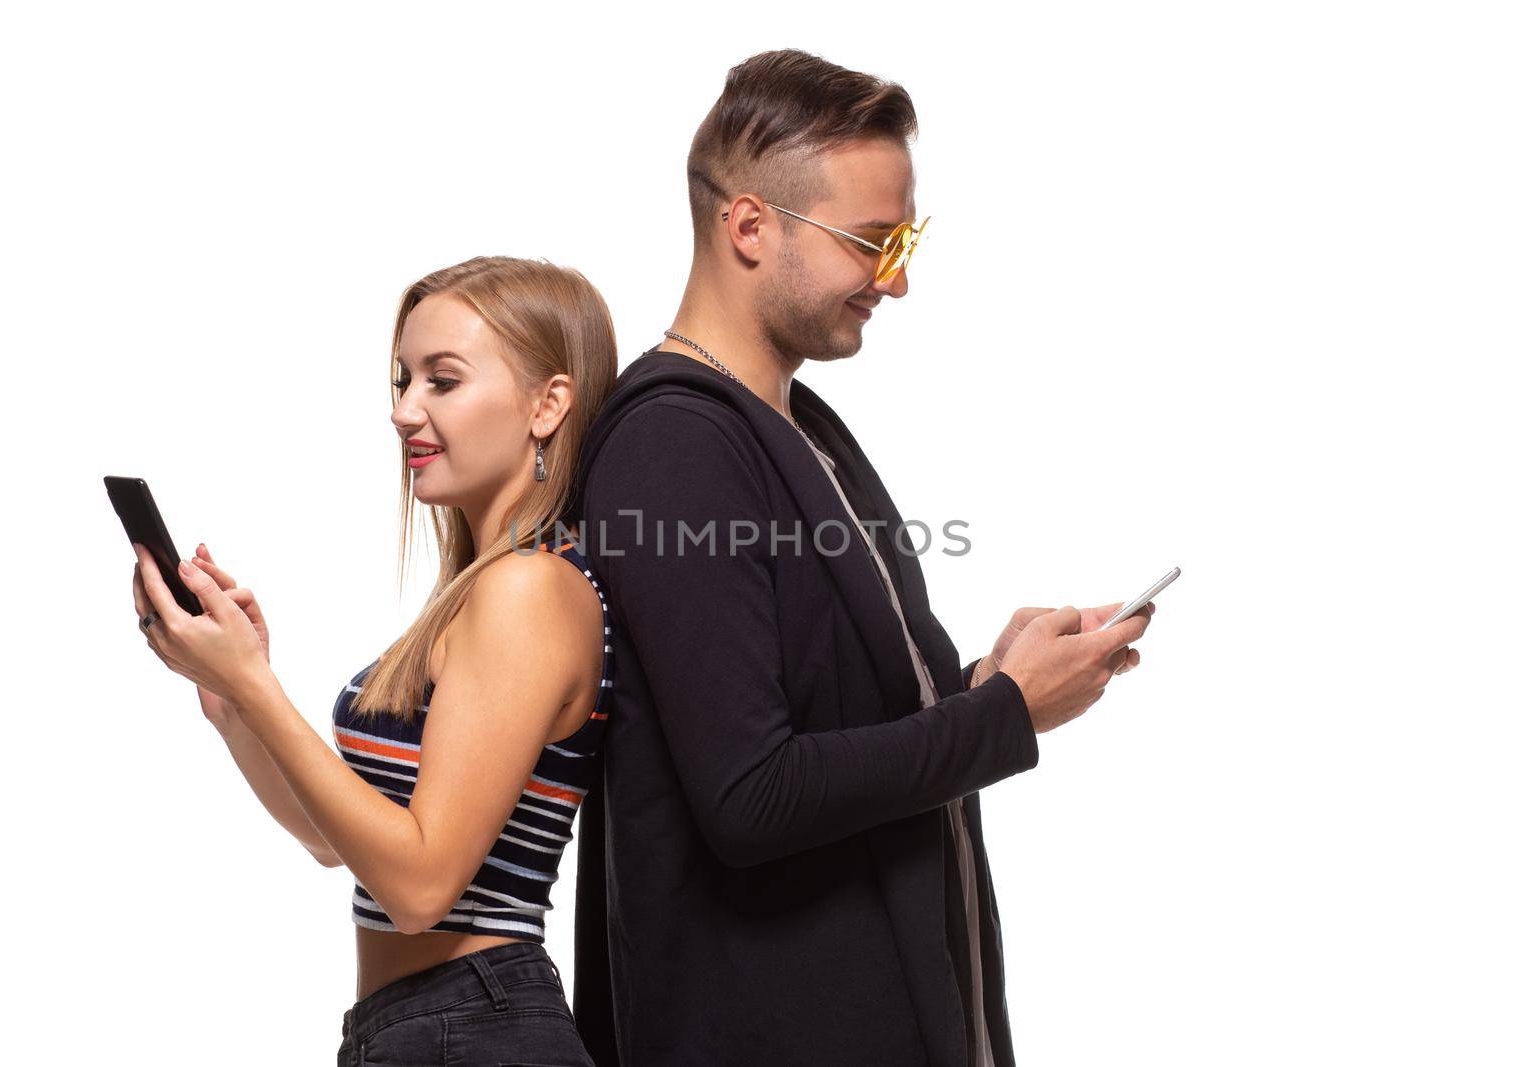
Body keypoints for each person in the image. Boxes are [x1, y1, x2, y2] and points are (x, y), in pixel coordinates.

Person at [570, 51, 1156, 1066]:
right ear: (748, 226)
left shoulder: (805, 428)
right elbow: (750, 792)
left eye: (905, 239)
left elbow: (845, 726)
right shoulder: (674, 446)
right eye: (870, 242)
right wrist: (1005, 712)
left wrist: (982, 681)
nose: (897, 278)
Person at [128, 255, 618, 1065]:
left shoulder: (531, 589)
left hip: (478, 1026)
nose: (403, 410)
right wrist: (235, 699)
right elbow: (338, 843)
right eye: (402, 379)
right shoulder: (481, 590)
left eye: (442, 380)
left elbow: (422, 888)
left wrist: (255, 684)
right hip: (419, 1027)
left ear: (547, 404)